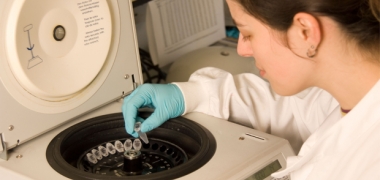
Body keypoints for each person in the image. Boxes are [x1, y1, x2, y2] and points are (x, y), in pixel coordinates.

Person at [123, 0, 380, 179]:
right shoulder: (351, 93)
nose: (242, 50)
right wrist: (191, 94)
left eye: (247, 33)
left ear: (304, 32)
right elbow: (297, 107)